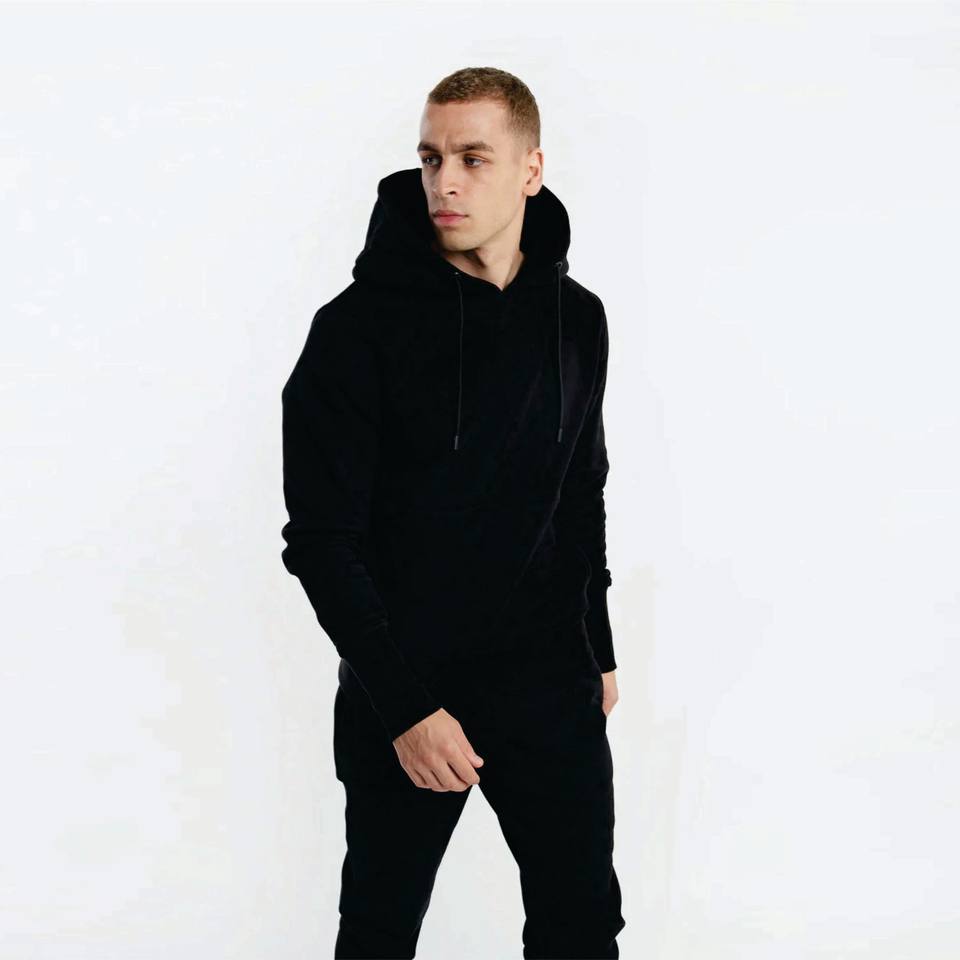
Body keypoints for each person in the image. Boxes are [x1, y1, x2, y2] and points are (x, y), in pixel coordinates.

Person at [280, 66, 626, 959]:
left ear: (531, 169)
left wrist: (596, 645)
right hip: (408, 687)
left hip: (548, 683)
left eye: (474, 158)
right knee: (380, 932)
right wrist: (405, 707)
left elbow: (580, 490)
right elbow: (321, 542)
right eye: (431, 158)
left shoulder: (578, 319)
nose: (445, 181)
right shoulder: (354, 331)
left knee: (583, 926)